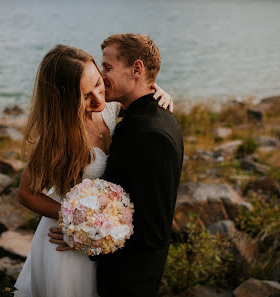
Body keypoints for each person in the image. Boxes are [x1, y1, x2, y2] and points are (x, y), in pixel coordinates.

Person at [14, 42, 174, 297]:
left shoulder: (110, 107)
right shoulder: (59, 136)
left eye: (98, 83)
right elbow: (26, 193)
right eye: (85, 96)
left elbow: (138, 98)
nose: (98, 99)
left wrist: (158, 94)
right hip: (65, 240)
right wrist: (77, 222)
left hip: (98, 235)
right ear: (64, 100)